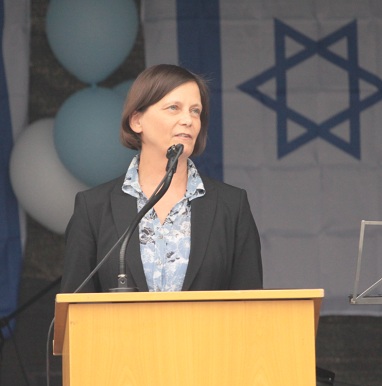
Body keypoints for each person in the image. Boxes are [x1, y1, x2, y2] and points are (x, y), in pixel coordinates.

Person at [60, 64, 263, 293]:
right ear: (137, 121)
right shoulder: (94, 208)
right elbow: (75, 312)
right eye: (174, 108)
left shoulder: (231, 206)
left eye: (195, 111)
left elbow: (250, 307)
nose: (188, 120)